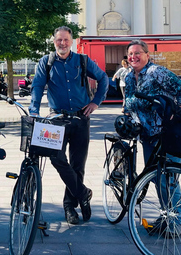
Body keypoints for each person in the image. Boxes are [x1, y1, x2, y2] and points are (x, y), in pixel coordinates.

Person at [30, 26, 109, 225]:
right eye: (59, 40)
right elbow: (38, 86)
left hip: (81, 118)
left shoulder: (82, 61)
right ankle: (83, 193)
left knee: (78, 165)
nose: (62, 43)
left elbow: (103, 78)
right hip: (57, 119)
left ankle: (69, 206)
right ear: (54, 41)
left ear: (71, 41)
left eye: (66, 40)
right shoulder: (46, 62)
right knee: (55, 156)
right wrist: (33, 110)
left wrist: (96, 102)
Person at [123, 39, 181, 237]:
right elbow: (128, 101)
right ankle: (167, 215)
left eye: (138, 53)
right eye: (130, 54)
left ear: (147, 55)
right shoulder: (129, 77)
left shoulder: (156, 72)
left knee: (169, 179)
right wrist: (127, 117)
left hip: (167, 134)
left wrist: (178, 117)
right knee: (157, 179)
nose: (133, 57)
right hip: (147, 135)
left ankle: (177, 221)